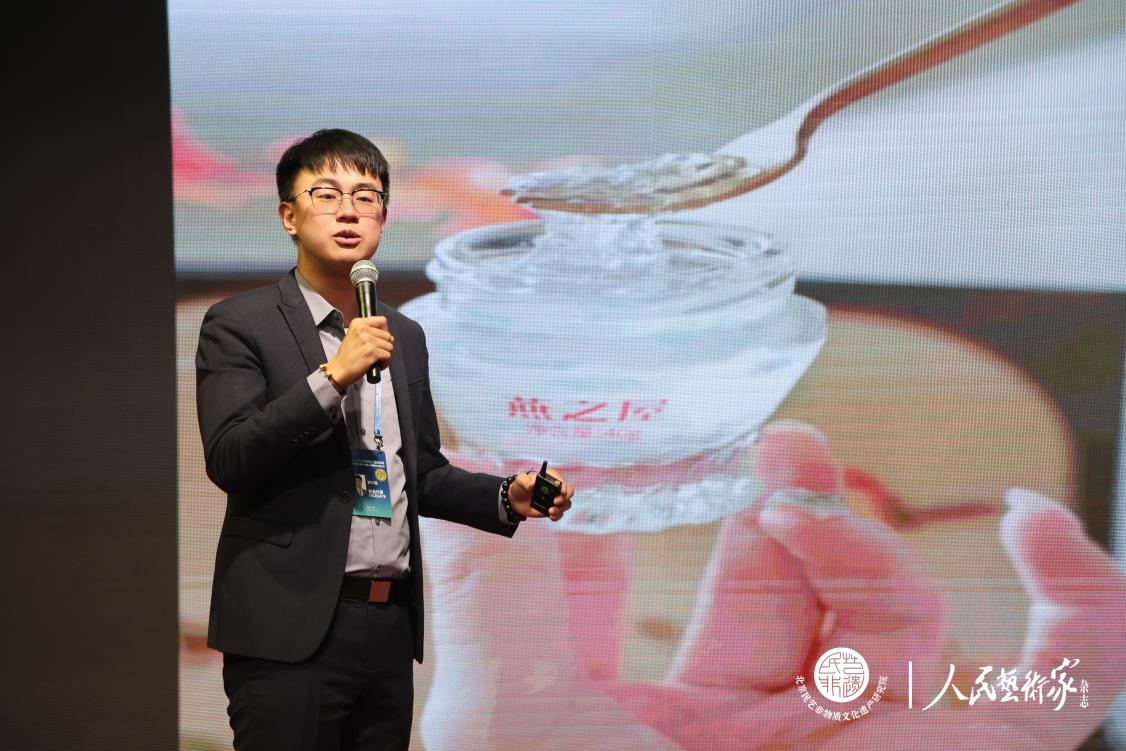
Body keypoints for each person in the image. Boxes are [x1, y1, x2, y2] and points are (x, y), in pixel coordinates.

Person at [195, 128, 574, 751]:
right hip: (288, 626)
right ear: (289, 216)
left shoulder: (404, 334)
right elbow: (232, 457)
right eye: (326, 195)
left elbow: (417, 471)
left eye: (366, 197)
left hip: (387, 624)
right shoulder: (240, 322)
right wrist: (334, 375)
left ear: (384, 218)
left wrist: (506, 496)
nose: (349, 211)